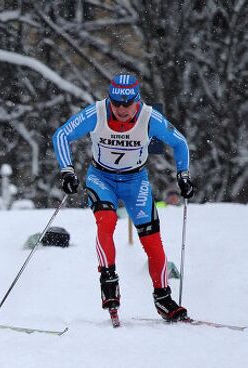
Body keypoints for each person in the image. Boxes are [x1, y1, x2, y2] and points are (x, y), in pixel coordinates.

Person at [51, 73, 195, 322]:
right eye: (116, 103)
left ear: (137, 101)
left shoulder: (149, 117)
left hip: (135, 180)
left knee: (152, 241)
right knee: (106, 222)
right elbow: (61, 135)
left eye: (127, 104)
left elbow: (179, 142)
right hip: (101, 178)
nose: (120, 109)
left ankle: (163, 298)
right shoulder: (97, 112)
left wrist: (183, 174)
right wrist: (67, 170)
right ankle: (108, 282)